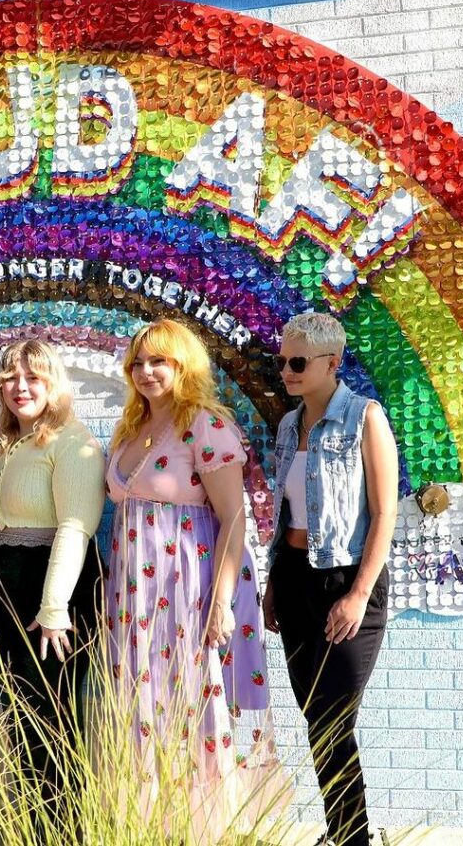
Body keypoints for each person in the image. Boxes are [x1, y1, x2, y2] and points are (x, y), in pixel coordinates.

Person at [104, 319, 280, 844]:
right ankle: (149, 824)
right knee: (141, 701)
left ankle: (204, 828)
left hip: (189, 585)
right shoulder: (130, 428)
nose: (146, 371)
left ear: (184, 365)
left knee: (192, 698)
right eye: (138, 361)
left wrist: (221, 604)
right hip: (133, 593)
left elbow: (233, 517)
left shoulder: (205, 424)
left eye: (159, 361)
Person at [263, 312, 398, 846]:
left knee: (334, 720)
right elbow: (286, 517)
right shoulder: (286, 426)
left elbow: (384, 513)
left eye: (298, 362)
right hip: (295, 579)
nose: (287, 372)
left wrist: (359, 594)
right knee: (316, 721)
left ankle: (351, 839)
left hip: (346, 581)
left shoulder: (365, 418)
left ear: (332, 363)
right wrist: (274, 583)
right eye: (283, 361)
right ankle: (343, 833)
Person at [0, 339, 105, 828]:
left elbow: (75, 526)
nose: (20, 387)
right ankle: (33, 826)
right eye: (10, 377)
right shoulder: (6, 440)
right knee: (18, 708)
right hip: (1, 582)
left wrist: (53, 609)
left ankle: (62, 829)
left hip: (49, 586)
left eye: (33, 377)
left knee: (50, 712)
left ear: (54, 383)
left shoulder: (74, 442)